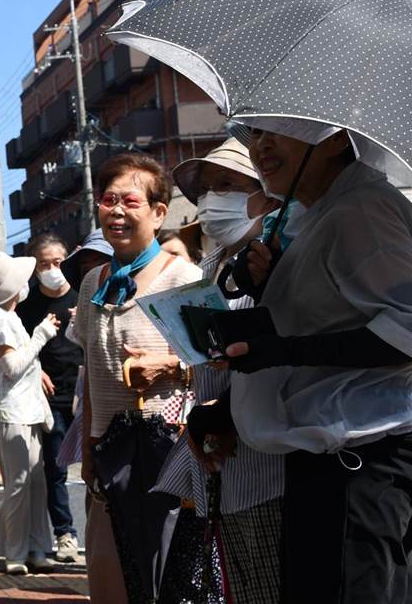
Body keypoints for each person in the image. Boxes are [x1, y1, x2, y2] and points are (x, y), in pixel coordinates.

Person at [187, 122, 412, 604]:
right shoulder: (311, 216)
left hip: (365, 459)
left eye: (278, 131)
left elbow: (406, 330)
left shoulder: (360, 211)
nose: (262, 145)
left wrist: (283, 351)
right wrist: (226, 409)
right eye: (255, 133)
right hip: (330, 456)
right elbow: (326, 321)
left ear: (335, 139)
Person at [154, 138, 283, 604]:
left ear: (266, 194)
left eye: (227, 184)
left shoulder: (281, 260)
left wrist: (221, 412)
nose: (212, 198)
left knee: (270, 585)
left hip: (269, 465)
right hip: (218, 467)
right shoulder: (210, 266)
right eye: (206, 188)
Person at [74, 154, 202, 604]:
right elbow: (91, 370)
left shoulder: (183, 277)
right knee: (110, 573)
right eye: (108, 200)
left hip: (171, 448)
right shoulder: (93, 282)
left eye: (130, 201)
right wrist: (88, 447)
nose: (116, 211)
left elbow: (219, 363)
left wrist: (168, 365)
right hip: (111, 451)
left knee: (167, 576)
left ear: (159, 212)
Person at [0, 251, 60, 575]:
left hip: (26, 410)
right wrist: (41, 335)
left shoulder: (7, 317)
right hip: (11, 412)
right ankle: (15, 552)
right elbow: (11, 366)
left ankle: (35, 548)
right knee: (20, 483)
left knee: (34, 482)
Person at [15, 233, 82, 564]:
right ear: (34, 268)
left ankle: (106, 531)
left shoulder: (83, 297)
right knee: (55, 468)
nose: (52, 269)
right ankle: (65, 534)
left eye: (57, 262)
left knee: (98, 466)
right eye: (44, 264)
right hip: (50, 398)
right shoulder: (26, 308)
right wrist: (36, 370)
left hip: (84, 393)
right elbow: (19, 350)